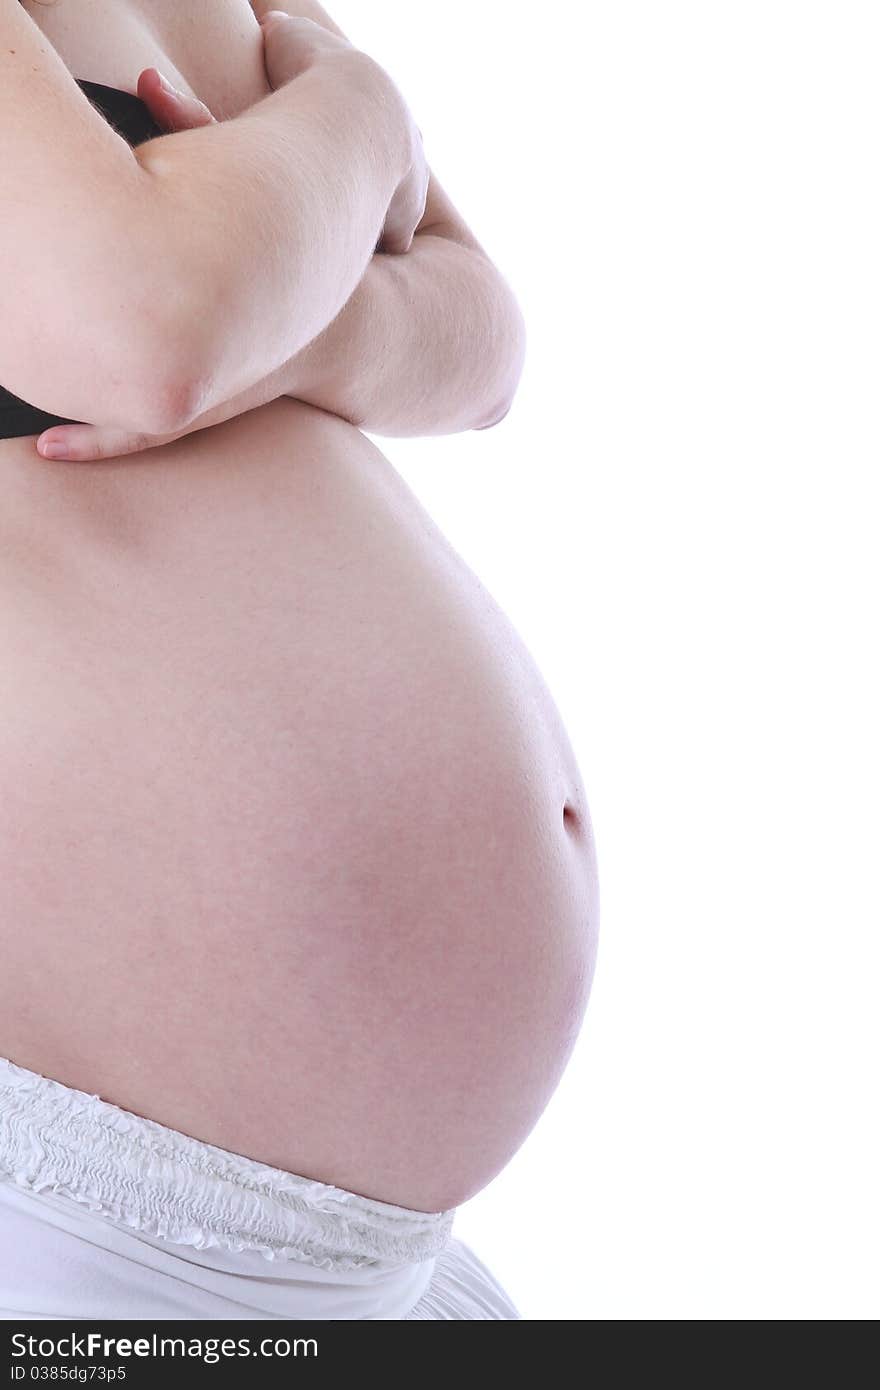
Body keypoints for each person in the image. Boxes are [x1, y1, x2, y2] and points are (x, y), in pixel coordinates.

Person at [0, 0, 599, 1320]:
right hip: (71, 1220)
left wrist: (289, 324)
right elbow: (141, 327)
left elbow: (479, 339)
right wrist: (364, 118)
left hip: (371, 1265)